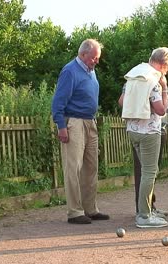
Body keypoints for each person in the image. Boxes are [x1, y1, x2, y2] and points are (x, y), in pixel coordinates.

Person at [51, 39, 109, 224]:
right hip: (74, 122)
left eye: (97, 58)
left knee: (91, 167)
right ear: (83, 55)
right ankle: (75, 211)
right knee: (73, 168)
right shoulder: (70, 71)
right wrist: (61, 126)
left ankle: (90, 208)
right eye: (94, 58)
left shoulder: (91, 72)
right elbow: (58, 102)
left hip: (90, 121)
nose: (96, 61)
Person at [118, 47, 168, 228]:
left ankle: (148, 209)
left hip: (132, 130)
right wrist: (165, 89)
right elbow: (161, 110)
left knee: (145, 172)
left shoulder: (134, 76)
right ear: (163, 64)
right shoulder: (154, 81)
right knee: (150, 172)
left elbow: (121, 101)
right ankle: (144, 216)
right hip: (149, 132)